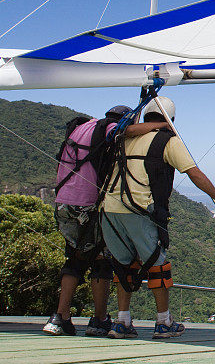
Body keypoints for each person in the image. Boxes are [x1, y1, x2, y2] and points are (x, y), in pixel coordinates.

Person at [100, 96, 215, 340]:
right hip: (139, 209)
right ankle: (163, 322)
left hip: (108, 209)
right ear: (171, 119)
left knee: (122, 265)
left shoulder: (124, 137)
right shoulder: (167, 140)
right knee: (158, 265)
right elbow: (194, 173)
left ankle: (122, 321)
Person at [43, 105, 169, 337]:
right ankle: (99, 319)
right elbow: (128, 131)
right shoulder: (108, 128)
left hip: (63, 203)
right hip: (88, 205)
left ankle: (60, 318)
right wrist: (163, 124)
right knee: (101, 260)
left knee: (74, 258)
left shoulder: (81, 128)